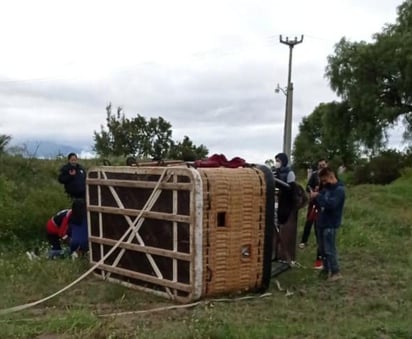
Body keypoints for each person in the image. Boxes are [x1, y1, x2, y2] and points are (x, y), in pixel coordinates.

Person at [310, 167, 345, 281]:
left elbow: (331, 205)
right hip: (321, 221)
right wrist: (314, 196)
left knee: (330, 249)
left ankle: (336, 271)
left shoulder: (339, 190)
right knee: (322, 249)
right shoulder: (326, 189)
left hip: (331, 223)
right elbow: (320, 203)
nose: (324, 183)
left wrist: (318, 196)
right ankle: (326, 269)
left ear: (331, 176)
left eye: (325, 180)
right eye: (322, 181)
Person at [299, 158, 328, 270]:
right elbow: (308, 186)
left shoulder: (329, 176)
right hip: (314, 205)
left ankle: (320, 260)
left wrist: (319, 193)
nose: (321, 167)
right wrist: (312, 192)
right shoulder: (314, 175)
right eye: (320, 165)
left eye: (323, 165)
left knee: (320, 232)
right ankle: (304, 241)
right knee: (310, 222)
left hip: (324, 206)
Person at [272, 152, 298, 262]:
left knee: (285, 229)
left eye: (278, 161)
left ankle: (286, 255)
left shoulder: (289, 173)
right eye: (276, 161)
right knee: (277, 227)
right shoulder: (276, 172)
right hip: (279, 202)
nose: (277, 163)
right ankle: (277, 254)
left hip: (287, 203)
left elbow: (291, 189)